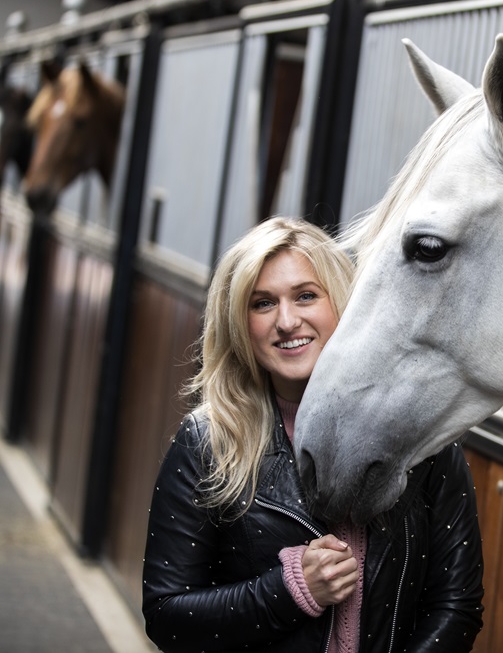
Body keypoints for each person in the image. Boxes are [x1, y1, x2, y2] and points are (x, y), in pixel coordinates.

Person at [142, 216, 484, 653]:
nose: (287, 321)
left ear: (341, 303)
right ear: (239, 322)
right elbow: (167, 615)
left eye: (305, 296)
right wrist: (288, 591)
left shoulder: (422, 439)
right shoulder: (208, 440)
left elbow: (457, 605)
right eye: (262, 303)